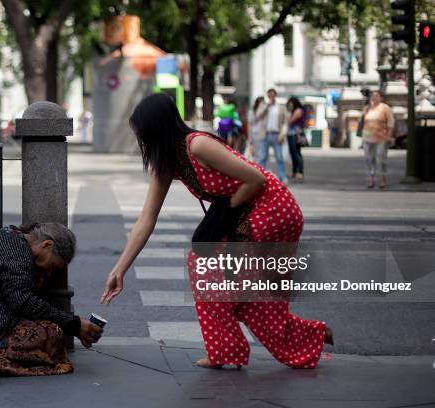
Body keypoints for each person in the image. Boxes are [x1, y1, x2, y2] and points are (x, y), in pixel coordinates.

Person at [100, 93, 333, 369]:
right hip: (247, 212)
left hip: (271, 210)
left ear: (157, 129)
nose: (141, 142)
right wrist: (119, 269)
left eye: (143, 135)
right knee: (249, 299)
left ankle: (227, 350)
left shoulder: (197, 145)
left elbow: (256, 178)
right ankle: (305, 336)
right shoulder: (166, 164)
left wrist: (226, 209)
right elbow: (146, 220)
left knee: (211, 271)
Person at [0, 223, 103, 384]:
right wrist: (73, 324)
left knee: (41, 331)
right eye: (53, 266)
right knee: (51, 334)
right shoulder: (15, 248)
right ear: (47, 245)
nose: (51, 272)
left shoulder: (9, 237)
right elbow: (22, 301)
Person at [361, 90, 394, 189]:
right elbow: (362, 121)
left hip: (381, 137)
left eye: (376, 96)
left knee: (381, 159)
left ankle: (382, 178)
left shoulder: (385, 108)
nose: (374, 98)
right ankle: (371, 178)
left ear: (381, 98)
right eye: (372, 96)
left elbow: (390, 123)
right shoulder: (368, 108)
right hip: (367, 137)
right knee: (369, 159)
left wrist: (389, 135)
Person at [258, 89, 288, 184]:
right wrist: (267, 106)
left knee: (279, 158)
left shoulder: (281, 107)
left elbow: (285, 122)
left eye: (273, 95)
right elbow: (258, 115)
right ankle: (259, 177)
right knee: (262, 157)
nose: (271, 97)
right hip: (265, 135)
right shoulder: (263, 106)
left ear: (275, 95)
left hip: (276, 135)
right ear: (267, 96)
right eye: (269, 95)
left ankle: (283, 177)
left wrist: (282, 134)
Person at [286, 97, 306, 181]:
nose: (289, 106)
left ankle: (300, 172)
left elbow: (290, 121)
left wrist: (288, 114)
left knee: (297, 153)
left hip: (296, 134)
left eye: (290, 104)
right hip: (292, 133)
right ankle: (294, 172)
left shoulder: (298, 110)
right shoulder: (295, 111)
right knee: (293, 153)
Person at [247, 97, 267, 162]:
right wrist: (249, 137)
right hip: (255, 134)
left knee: (262, 154)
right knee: (255, 153)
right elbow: (249, 124)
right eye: (261, 103)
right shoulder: (252, 112)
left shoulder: (266, 111)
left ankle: (260, 168)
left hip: (264, 134)